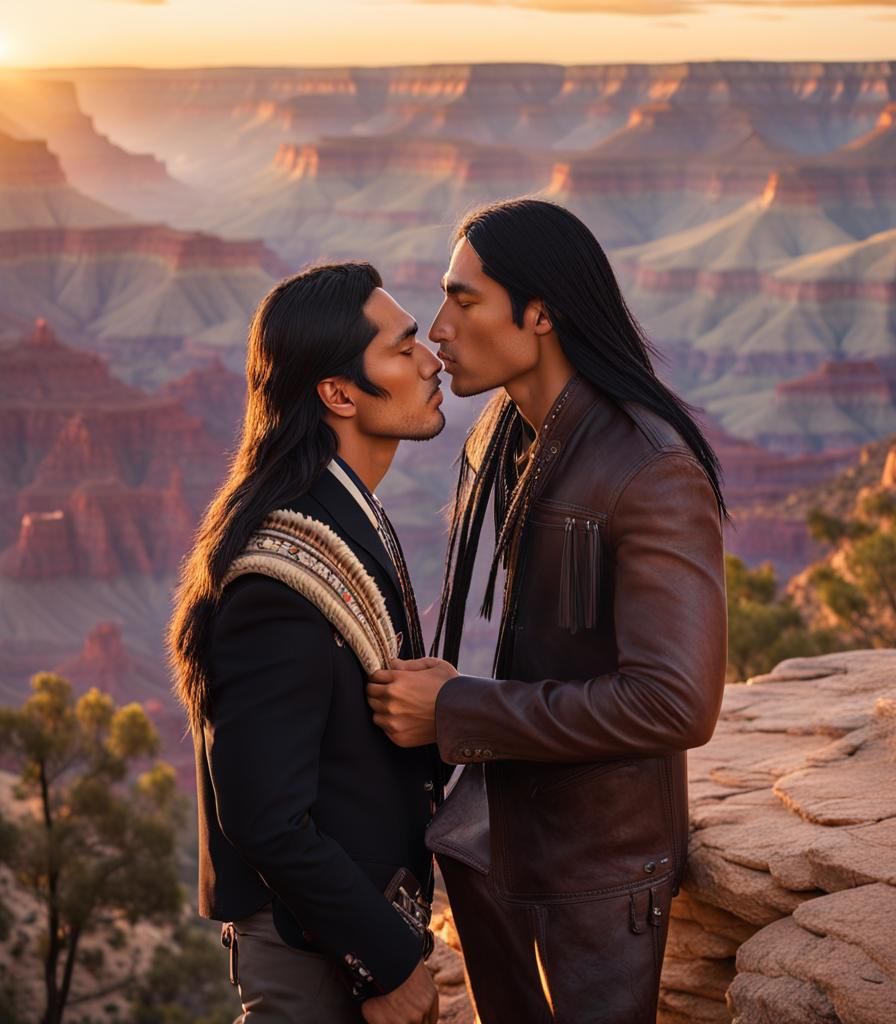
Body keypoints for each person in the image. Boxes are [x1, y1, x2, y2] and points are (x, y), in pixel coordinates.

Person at [367, 199, 728, 1023]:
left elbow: (676, 701)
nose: (439, 330)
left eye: (464, 300)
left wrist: (455, 706)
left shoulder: (649, 470)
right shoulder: (503, 434)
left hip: (597, 872)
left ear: (539, 314)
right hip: (506, 845)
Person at [169, 262, 447, 1024]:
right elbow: (263, 817)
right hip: (311, 954)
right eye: (405, 347)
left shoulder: (342, 516)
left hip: (343, 934)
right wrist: (387, 964)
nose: (433, 362)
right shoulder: (274, 579)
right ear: (339, 392)